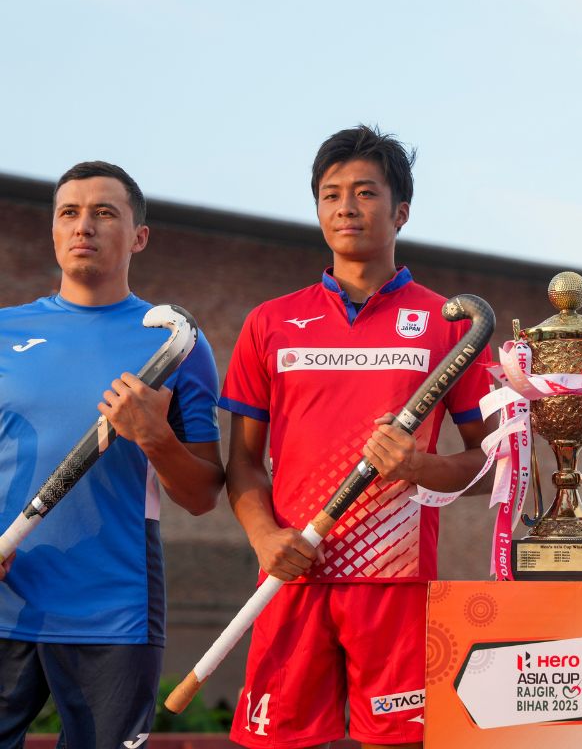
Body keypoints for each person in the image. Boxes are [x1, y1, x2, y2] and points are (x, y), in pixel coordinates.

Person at [221, 125, 494, 749]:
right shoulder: (269, 323)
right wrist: (265, 538)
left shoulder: (446, 321)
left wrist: (420, 466)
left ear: (401, 210)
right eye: (330, 193)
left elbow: (499, 465)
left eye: (365, 192)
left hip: (395, 582)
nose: (346, 206)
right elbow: (241, 462)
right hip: (292, 573)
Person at [0, 161, 224, 748]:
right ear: (52, 231)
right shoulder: (4, 332)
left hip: (114, 609)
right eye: (69, 213)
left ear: (139, 236)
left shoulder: (177, 344)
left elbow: (202, 495)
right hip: (4, 599)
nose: (84, 227)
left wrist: (154, 436)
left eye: (104, 213)